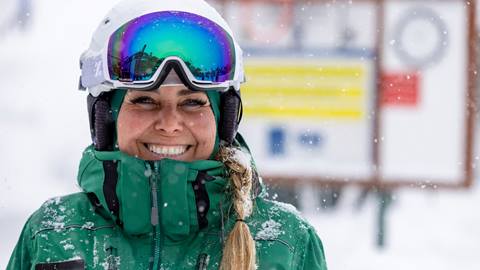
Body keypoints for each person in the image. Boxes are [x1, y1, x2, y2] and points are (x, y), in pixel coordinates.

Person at [7, 0, 328, 269]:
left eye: (192, 102)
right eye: (145, 101)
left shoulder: (285, 243)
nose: (170, 123)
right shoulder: (53, 233)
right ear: (104, 118)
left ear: (226, 120)